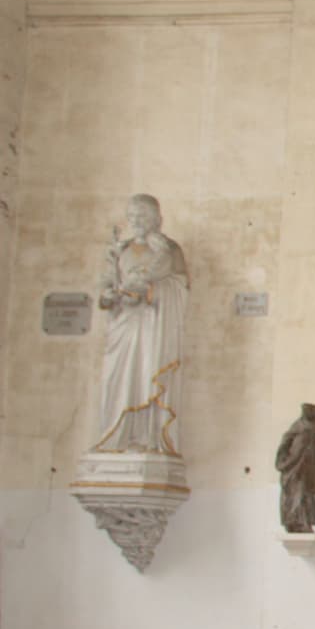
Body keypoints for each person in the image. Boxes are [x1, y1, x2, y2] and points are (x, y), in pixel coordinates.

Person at [94, 194, 190, 454]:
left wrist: (150, 291)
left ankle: (148, 439)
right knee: (117, 380)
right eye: (132, 216)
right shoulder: (119, 250)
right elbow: (105, 283)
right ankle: (115, 437)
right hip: (122, 325)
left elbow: (180, 287)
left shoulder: (169, 250)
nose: (136, 221)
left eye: (143, 216)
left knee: (148, 375)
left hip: (153, 326)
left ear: (157, 220)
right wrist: (108, 296)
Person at [275, 403, 315, 533]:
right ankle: (293, 522)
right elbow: (285, 442)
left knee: (308, 495)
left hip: (311, 468)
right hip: (294, 466)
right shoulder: (298, 426)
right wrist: (284, 462)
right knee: (295, 493)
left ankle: (304, 522)